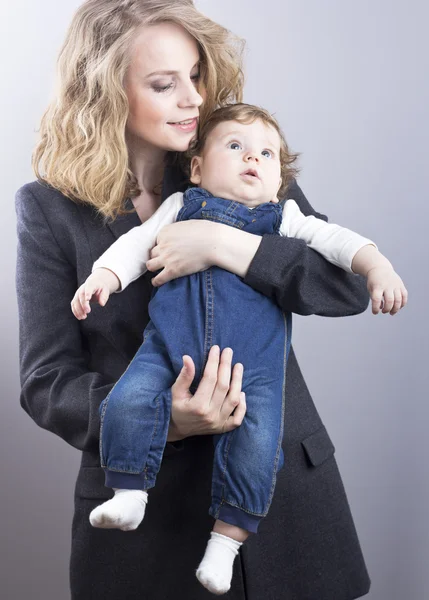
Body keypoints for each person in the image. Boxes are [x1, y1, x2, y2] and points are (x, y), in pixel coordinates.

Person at [14, 0, 390, 598]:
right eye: (165, 84)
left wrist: (221, 242)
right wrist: (166, 420)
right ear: (105, 92)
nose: (193, 99)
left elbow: (345, 284)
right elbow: (46, 380)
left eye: (196, 75)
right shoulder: (48, 208)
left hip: (286, 502)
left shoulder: (239, 158)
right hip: (148, 528)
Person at [70, 102, 407, 595]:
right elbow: (139, 245)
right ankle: (129, 491)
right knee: (128, 401)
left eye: (268, 154)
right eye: (236, 148)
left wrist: (378, 268)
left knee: (256, 450)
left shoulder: (282, 213)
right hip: (167, 354)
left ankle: (224, 545)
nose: (253, 159)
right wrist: (105, 275)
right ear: (199, 168)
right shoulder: (180, 203)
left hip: (257, 372)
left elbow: (338, 247)